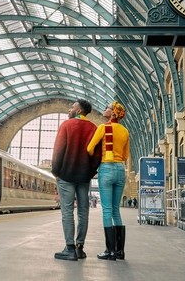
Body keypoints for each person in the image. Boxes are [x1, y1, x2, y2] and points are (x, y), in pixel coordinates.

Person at [51, 99, 99, 261]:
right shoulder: (93, 128)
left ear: (79, 111)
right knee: (83, 211)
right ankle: (80, 248)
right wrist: (90, 172)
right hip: (84, 176)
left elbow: (58, 149)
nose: (69, 109)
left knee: (67, 211)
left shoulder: (67, 125)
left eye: (72, 107)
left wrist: (56, 171)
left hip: (66, 174)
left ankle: (69, 248)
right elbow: (97, 154)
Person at [87, 101, 130, 261]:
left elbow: (90, 148)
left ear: (113, 113)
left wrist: (95, 158)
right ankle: (120, 251)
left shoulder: (103, 128)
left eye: (108, 108)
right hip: (120, 170)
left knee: (106, 210)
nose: (105, 109)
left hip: (106, 168)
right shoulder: (125, 131)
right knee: (115, 210)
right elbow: (125, 157)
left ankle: (110, 251)